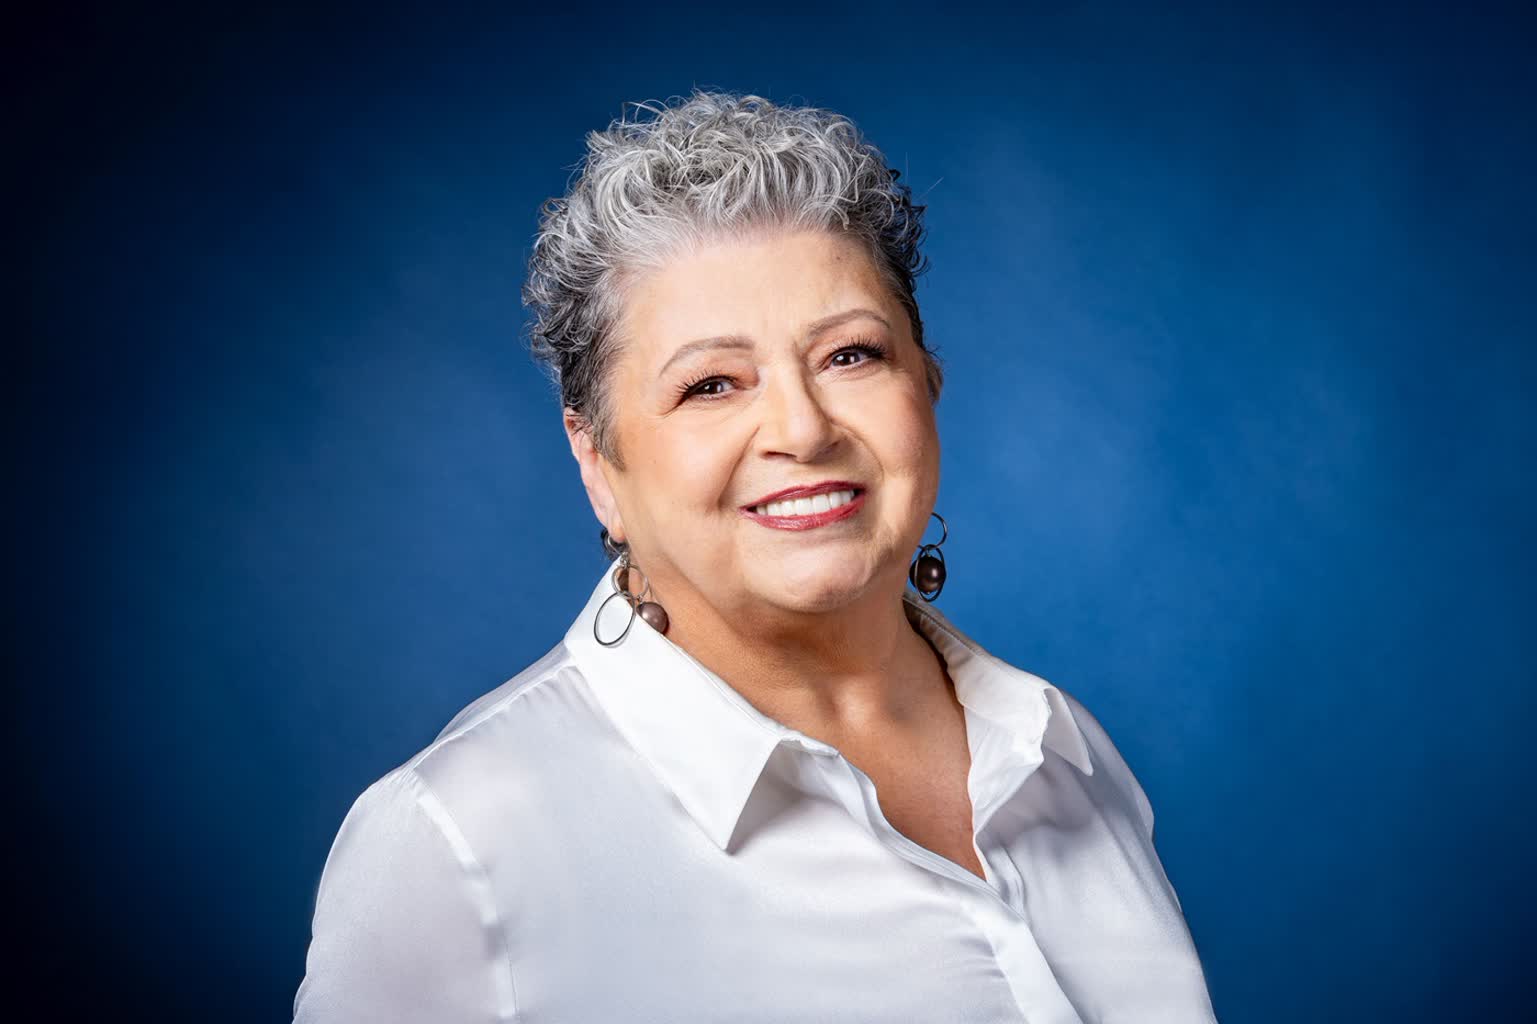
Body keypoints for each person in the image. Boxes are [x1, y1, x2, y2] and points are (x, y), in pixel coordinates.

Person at [293, 89, 1218, 1023]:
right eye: (710, 384)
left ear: (927, 381)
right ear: (596, 461)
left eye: (849, 356)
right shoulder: (458, 842)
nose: (802, 430)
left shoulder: (1060, 751)